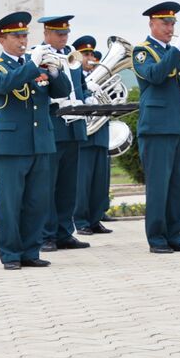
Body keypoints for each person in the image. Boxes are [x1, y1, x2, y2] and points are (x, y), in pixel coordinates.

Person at [0, 12, 70, 270]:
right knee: (11, 204)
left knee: (36, 201)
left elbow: (62, 92)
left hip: (40, 142)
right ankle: (10, 254)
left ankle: (31, 251)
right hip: (11, 146)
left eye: (24, 35)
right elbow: (0, 86)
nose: (22, 40)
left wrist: (54, 71)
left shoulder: (36, 65)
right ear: (2, 39)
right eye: (17, 36)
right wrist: (32, 66)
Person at [132, 2, 180, 254]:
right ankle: (157, 238)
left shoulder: (177, 52)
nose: (169, 28)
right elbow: (155, 75)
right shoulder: (142, 51)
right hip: (158, 129)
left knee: (179, 186)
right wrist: (176, 50)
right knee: (159, 187)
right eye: (165, 23)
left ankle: (174, 234)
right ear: (152, 24)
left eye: (172, 23)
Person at [38, 15, 90, 251]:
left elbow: (81, 86)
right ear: (47, 33)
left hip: (74, 126)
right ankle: (46, 234)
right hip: (54, 124)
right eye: (59, 33)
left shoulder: (73, 56)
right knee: (48, 184)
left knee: (69, 185)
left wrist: (88, 98)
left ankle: (64, 232)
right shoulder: (38, 55)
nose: (63, 37)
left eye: (66, 33)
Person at [73, 37, 113, 235]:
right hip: (85, 137)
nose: (90, 58)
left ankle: (95, 219)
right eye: (85, 54)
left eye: (91, 54)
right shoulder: (74, 77)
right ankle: (80, 220)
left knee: (100, 181)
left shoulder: (101, 78)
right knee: (83, 182)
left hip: (101, 134)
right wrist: (86, 91)